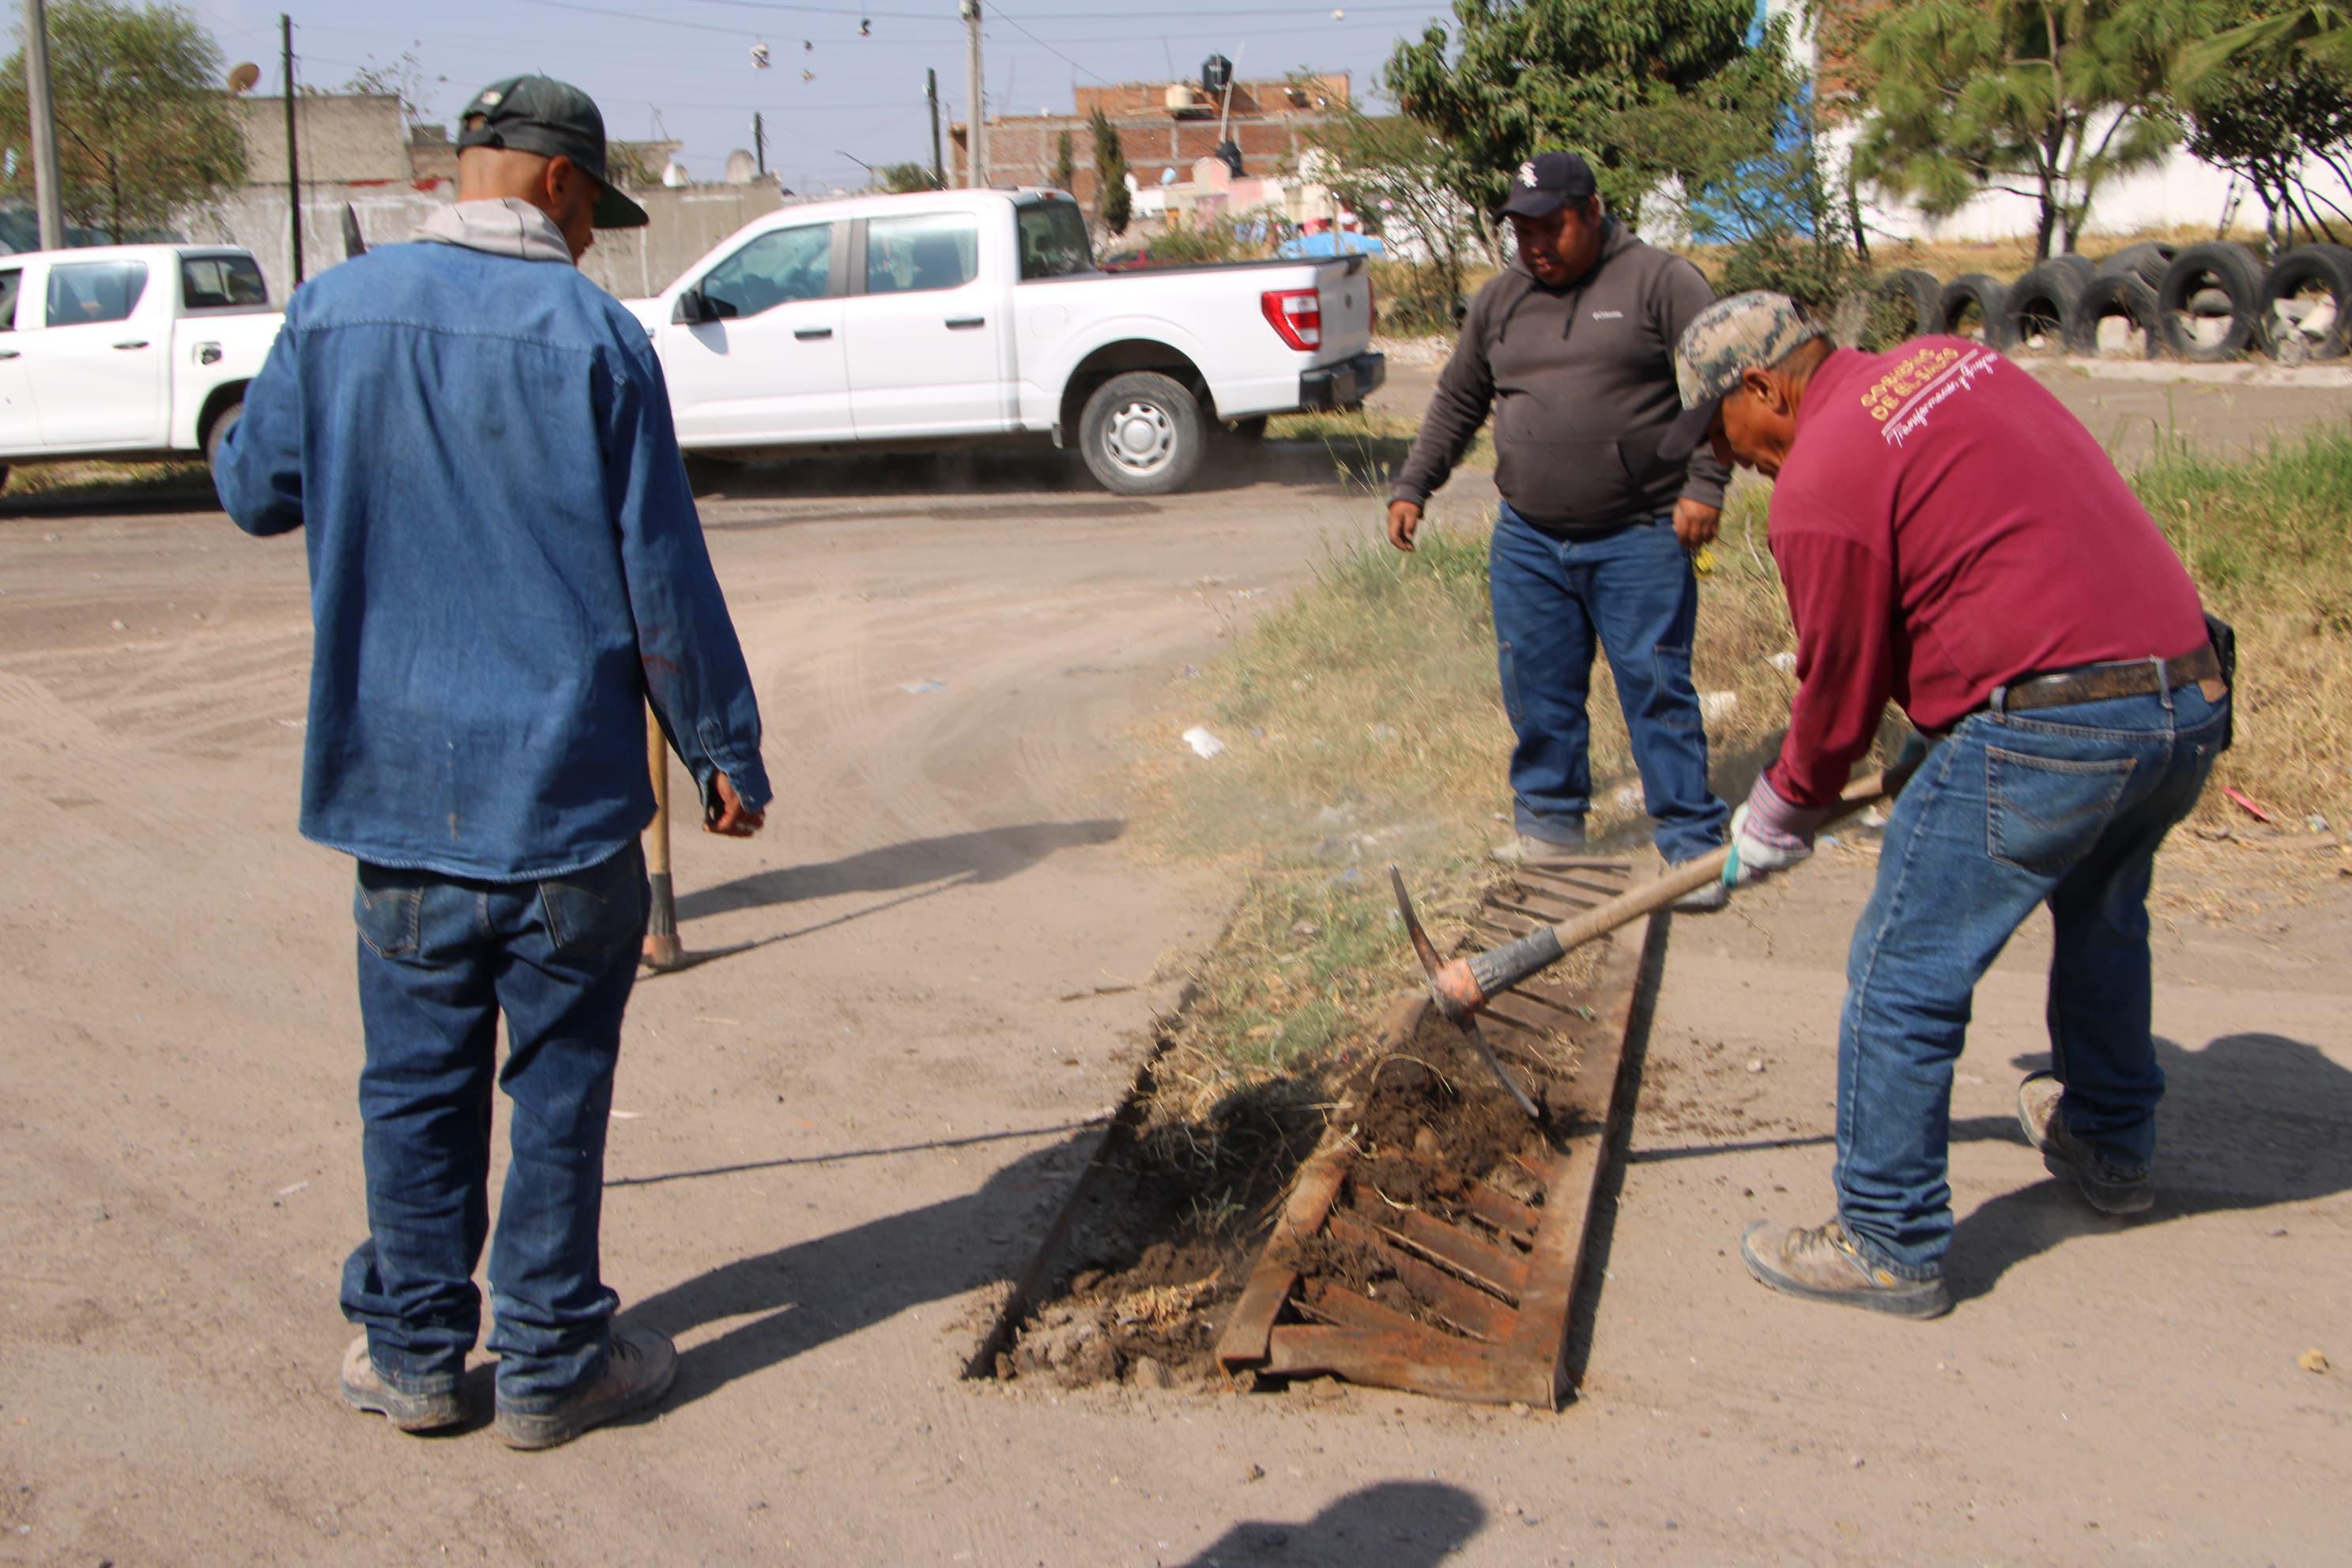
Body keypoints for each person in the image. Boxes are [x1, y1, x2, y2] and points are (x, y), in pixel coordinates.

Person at [217, 74, 773, 1446]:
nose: (595, 245)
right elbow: (661, 575)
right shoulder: (595, 338)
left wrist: (285, 399)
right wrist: (723, 748)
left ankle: (411, 1354)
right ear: (560, 184)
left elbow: (251, 490)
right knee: (561, 1080)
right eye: (597, 216)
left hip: (399, 795)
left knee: (414, 1085)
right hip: (570, 804)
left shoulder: (334, 312)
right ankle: (547, 1361)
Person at [1658, 293, 2230, 1319]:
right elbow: (2000, 549)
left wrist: (1779, 814)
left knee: (1904, 969)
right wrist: (1940, 730)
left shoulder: (1820, 484)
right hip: (2183, 698)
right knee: (2102, 919)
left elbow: (1836, 698)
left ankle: (1886, 1237)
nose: (1728, 457)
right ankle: (2108, 1145)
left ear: (1761, 387)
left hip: (2058, 722)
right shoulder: (1947, 364)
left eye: (1718, 429)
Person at [1386, 151, 1732, 906]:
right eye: (1521, 229)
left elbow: (1717, 387)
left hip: (1641, 531)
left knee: (1656, 687)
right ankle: (1551, 827)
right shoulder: (1500, 300)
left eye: (1551, 226)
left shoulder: (1661, 282)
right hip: (1531, 538)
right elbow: (1457, 401)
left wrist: (1705, 485)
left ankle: (1691, 844)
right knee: (1537, 687)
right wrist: (1415, 484)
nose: (1535, 243)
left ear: (1593, 211)